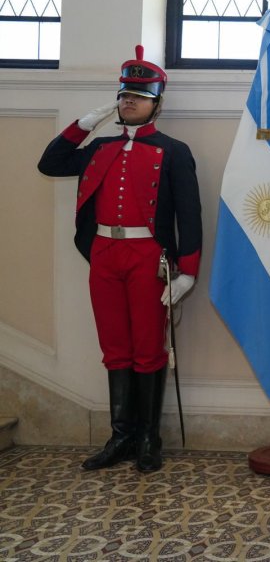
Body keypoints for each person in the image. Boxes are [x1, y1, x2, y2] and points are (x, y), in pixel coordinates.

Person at [37, 45, 202, 473]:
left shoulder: (174, 151)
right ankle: (121, 436)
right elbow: (50, 163)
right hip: (104, 254)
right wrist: (84, 125)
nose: (129, 101)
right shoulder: (99, 147)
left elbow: (191, 214)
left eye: (139, 95)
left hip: (148, 255)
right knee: (114, 346)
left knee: (148, 347)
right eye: (124, 94)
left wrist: (188, 272)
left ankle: (148, 438)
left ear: (156, 103)